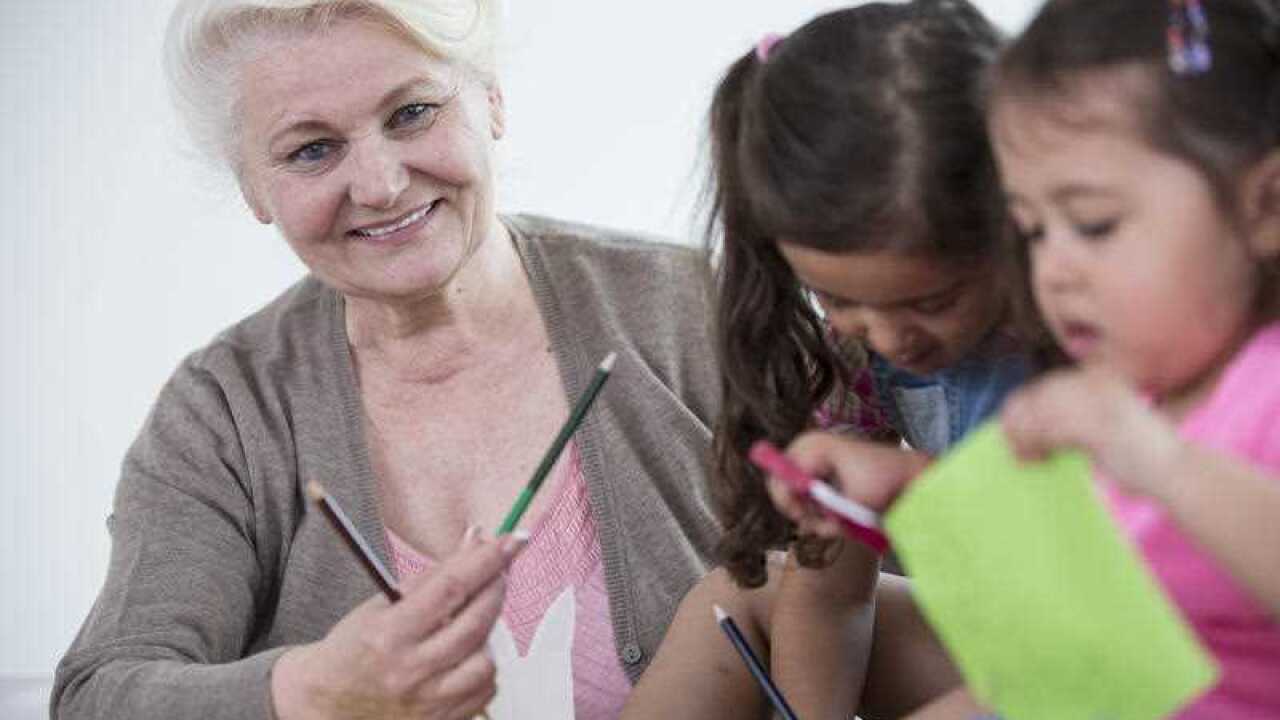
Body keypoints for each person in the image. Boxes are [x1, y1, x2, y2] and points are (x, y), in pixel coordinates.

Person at [51, 2, 722, 719]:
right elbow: (99, 697)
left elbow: (849, 581)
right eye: (311, 150)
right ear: (252, 186)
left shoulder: (699, 306)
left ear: (491, 98)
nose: (380, 184)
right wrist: (308, 695)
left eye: (412, 114)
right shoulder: (225, 411)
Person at [777, 0, 1280, 716]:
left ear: (1267, 207)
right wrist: (905, 484)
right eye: (1034, 230)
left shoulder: (1259, 388)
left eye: (1094, 223)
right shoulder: (1126, 398)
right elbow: (1058, 600)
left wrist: (1158, 461)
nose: (1054, 269)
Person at [622, 3, 1039, 718]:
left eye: (930, 301)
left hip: (1166, 645)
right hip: (1033, 635)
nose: (887, 336)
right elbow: (833, 596)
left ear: (1016, 212)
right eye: (836, 297)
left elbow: (1123, 623)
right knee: (744, 595)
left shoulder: (1097, 324)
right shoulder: (861, 353)